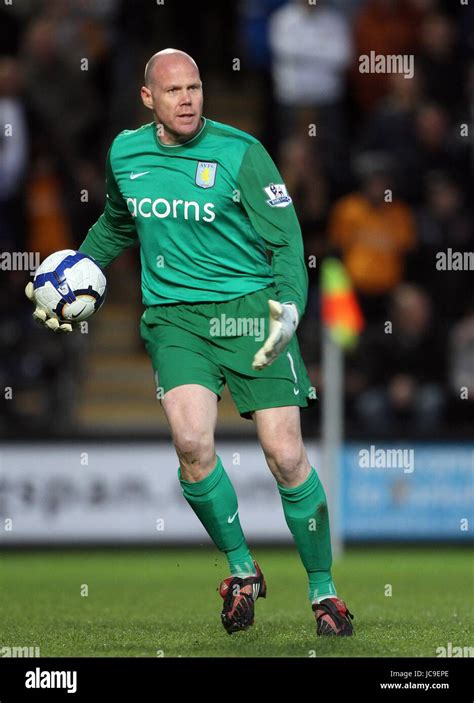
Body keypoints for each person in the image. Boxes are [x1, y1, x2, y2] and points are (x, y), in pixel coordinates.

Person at [25, 49, 354, 637]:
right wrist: (72, 279)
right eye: (174, 90)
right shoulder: (126, 152)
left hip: (253, 313)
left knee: (284, 455)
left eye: (195, 88)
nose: (187, 99)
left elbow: (286, 242)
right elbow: (118, 223)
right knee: (192, 444)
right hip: (175, 319)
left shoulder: (242, 153)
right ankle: (241, 570)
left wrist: (289, 311)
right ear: (148, 98)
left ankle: (323, 590)